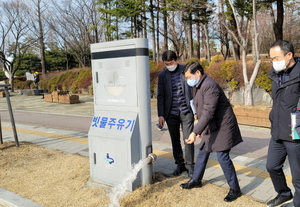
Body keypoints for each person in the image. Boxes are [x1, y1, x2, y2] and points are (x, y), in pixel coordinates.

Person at [180, 61, 243, 202]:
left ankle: (235, 189)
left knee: (222, 156)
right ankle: (196, 180)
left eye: (189, 77)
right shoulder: (197, 85)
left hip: (223, 125)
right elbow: (201, 108)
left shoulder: (209, 86)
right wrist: (201, 128)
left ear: (198, 73)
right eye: (186, 78)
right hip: (211, 123)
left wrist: (195, 131)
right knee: (203, 150)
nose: (188, 80)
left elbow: (209, 112)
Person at [266, 40, 300, 207]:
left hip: (296, 132)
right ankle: (284, 193)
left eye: (276, 57)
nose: (274, 62)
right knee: (272, 166)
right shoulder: (275, 74)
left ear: (289, 55)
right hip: (277, 131)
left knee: (298, 175)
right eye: (271, 58)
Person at [156, 50, 195, 177]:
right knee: (175, 140)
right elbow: (160, 96)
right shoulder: (162, 75)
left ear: (176, 60)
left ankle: (190, 166)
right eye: (166, 64)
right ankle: (180, 164)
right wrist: (161, 115)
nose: (169, 65)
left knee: (188, 140)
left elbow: (195, 88)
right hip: (170, 113)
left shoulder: (185, 70)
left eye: (171, 63)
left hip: (186, 112)